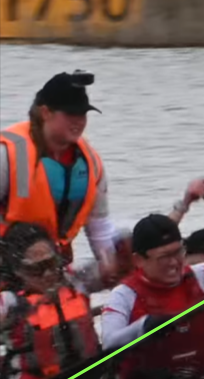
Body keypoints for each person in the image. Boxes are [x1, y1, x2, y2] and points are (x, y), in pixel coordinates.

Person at [99, 214, 204, 379]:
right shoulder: (123, 295)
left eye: (178, 252)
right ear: (138, 260)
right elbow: (110, 344)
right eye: (164, 257)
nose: (174, 263)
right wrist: (144, 326)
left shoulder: (203, 276)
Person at [0, 72, 121, 286]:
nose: (79, 122)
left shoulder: (91, 162)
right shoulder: (7, 155)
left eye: (83, 115)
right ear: (46, 112)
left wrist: (108, 264)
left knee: (126, 241)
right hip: (7, 269)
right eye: (70, 114)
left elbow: (98, 225)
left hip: (52, 269)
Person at [2, 222, 100, 379]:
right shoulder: (9, 303)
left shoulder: (77, 282)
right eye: (37, 269)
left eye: (51, 264)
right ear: (18, 271)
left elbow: (117, 265)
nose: (48, 274)